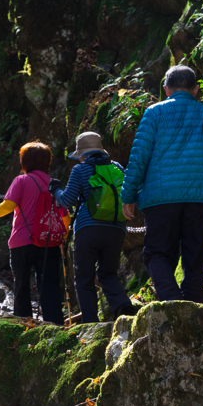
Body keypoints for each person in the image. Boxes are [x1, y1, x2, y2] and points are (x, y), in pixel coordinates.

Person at [121, 65, 203, 303]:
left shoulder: (153, 113)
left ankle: (172, 302)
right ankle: (192, 306)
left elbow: (139, 156)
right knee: (196, 256)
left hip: (162, 197)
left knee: (157, 253)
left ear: (166, 89)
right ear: (195, 89)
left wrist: (129, 194)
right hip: (202, 196)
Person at [52, 131, 137, 323]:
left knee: (84, 277)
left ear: (83, 153)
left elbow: (67, 200)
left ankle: (90, 322)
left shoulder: (80, 170)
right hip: (116, 229)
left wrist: (55, 190)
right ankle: (123, 306)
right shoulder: (117, 167)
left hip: (88, 229)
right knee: (107, 273)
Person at [0, 142, 65, 325]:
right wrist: (63, 234)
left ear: (25, 161)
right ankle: (54, 325)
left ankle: (23, 323)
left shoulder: (21, 180)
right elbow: (64, 215)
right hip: (48, 242)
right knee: (50, 284)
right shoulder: (54, 185)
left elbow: (8, 206)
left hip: (22, 241)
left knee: (21, 284)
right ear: (47, 162)